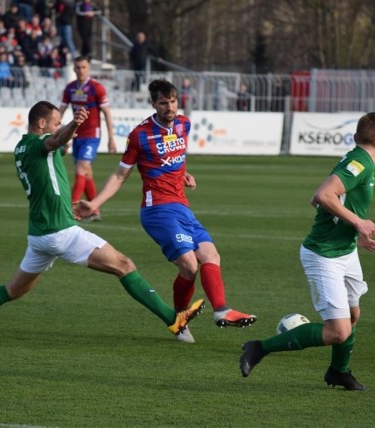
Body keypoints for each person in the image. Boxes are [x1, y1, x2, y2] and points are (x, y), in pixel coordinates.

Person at [0, 102, 204, 338]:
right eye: (55, 122)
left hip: (38, 236)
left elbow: (55, 151)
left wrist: (65, 140)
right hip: (60, 232)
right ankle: (173, 318)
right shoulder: (40, 143)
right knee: (124, 265)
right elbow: (55, 141)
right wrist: (74, 124)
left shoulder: (21, 148)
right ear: (41, 123)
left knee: (13, 289)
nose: (58, 126)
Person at [74, 79, 257, 344]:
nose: (169, 107)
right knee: (189, 265)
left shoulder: (184, 124)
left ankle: (221, 311)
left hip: (182, 207)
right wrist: (96, 203)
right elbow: (120, 175)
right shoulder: (140, 135)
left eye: (172, 101)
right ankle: (180, 321)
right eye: (163, 103)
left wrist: (184, 174)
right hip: (157, 210)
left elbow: (176, 157)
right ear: (153, 104)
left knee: (210, 255)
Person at [240, 112, 375, 391]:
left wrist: (351, 234)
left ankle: (338, 372)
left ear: (356, 137)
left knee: (353, 315)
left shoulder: (358, 160)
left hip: (343, 251)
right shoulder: (360, 164)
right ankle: (258, 348)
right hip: (324, 255)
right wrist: (358, 222)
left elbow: (316, 199)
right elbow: (323, 197)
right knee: (338, 331)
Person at [59, 55, 116, 221]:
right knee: (87, 173)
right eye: (77, 67)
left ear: (88, 68)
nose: (80, 70)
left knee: (81, 168)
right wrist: (54, 128)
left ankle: (71, 208)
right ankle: (95, 210)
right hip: (75, 135)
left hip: (92, 134)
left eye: (83, 67)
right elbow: (60, 110)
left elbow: (106, 113)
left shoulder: (96, 88)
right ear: (74, 69)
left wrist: (111, 137)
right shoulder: (70, 88)